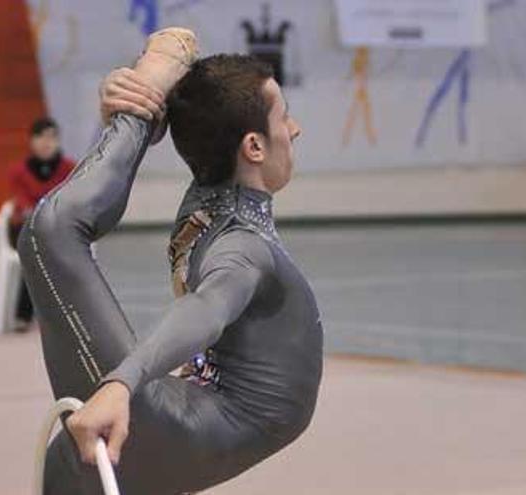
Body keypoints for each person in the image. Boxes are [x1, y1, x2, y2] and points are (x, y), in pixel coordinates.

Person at [17, 27, 323, 494]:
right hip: (185, 414)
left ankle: (135, 116)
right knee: (64, 464)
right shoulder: (231, 222)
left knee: (52, 232)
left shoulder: (233, 229)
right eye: (285, 117)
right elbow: (204, 311)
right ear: (254, 147)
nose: (295, 128)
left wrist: (137, 102)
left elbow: (205, 311)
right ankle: (136, 113)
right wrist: (132, 97)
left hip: (193, 425)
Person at [8, 117, 75, 330]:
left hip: (57, 230)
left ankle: (23, 316)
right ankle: (58, 316)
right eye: (41, 137)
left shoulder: (70, 168)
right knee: (38, 248)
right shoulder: (18, 171)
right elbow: (22, 203)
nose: (47, 143)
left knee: (40, 254)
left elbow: (70, 200)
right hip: (25, 229)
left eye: (52, 137)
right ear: (31, 141)